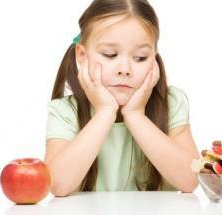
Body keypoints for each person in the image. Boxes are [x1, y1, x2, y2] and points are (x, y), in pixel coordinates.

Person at [44, 0, 200, 196]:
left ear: (154, 59)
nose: (125, 70)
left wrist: (135, 115)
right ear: (82, 56)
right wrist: (105, 112)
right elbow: (57, 184)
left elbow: (190, 180)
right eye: (110, 54)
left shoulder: (171, 103)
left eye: (140, 57)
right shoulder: (66, 111)